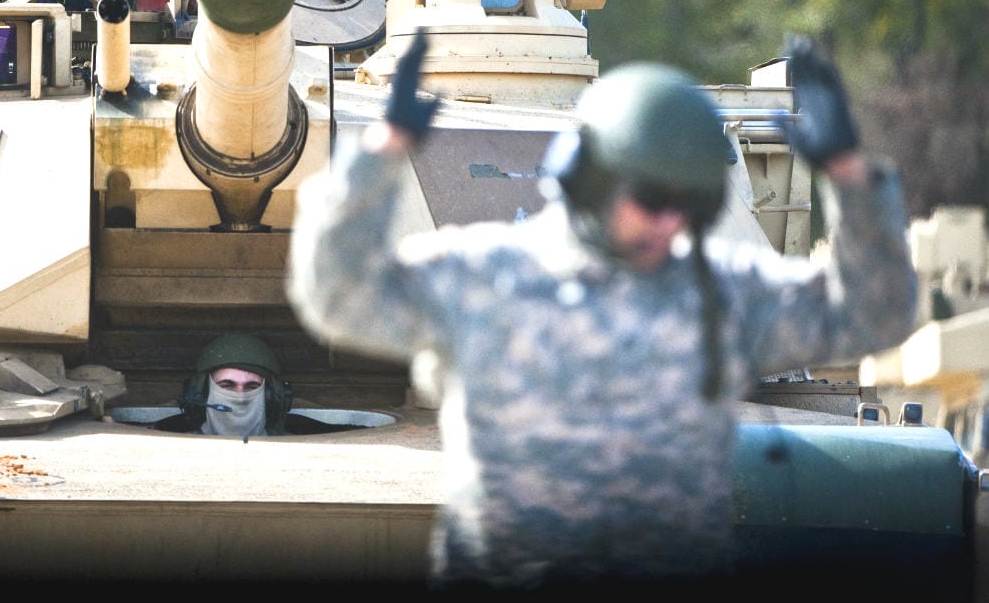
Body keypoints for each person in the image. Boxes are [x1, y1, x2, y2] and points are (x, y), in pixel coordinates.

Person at [286, 30, 918, 591]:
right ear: (590, 176)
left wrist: (849, 176)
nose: (670, 224)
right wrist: (381, 152)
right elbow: (337, 296)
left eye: (690, 206)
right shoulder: (489, 275)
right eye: (651, 198)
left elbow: (873, 315)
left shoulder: (722, 292)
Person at [136, 332, 363, 437]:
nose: (240, 395)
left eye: (252, 387)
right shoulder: (170, 444)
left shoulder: (299, 446)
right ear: (202, 393)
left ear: (272, 396)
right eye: (227, 385)